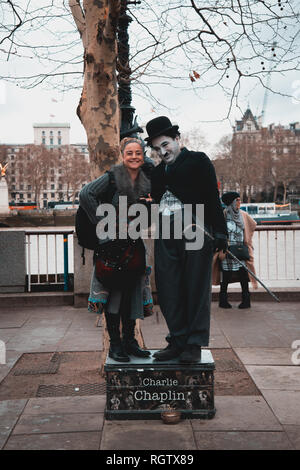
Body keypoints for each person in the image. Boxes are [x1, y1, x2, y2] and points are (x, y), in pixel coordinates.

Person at [145, 116, 228, 363]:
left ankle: (194, 343)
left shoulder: (199, 160)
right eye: (157, 148)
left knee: (196, 287)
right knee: (168, 286)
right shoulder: (158, 172)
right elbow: (157, 200)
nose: (162, 151)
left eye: (166, 144)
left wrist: (221, 232)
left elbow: (213, 196)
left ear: (177, 139)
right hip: (166, 232)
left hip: (196, 229)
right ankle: (178, 339)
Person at [79, 137, 152, 362]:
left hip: (133, 247)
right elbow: (85, 194)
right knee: (115, 298)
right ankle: (115, 345)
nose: (134, 157)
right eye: (129, 153)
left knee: (132, 297)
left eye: (138, 153)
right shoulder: (111, 177)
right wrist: (105, 223)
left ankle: (130, 342)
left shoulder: (145, 181)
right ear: (122, 156)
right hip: (111, 247)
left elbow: (144, 219)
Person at [212, 191, 258, 309]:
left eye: (239, 200)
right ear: (231, 202)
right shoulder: (223, 215)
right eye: (237, 200)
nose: (239, 202)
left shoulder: (243, 215)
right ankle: (223, 301)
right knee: (225, 276)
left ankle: (246, 300)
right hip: (227, 250)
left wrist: (247, 239)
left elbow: (252, 224)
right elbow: (216, 229)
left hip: (240, 250)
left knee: (243, 275)